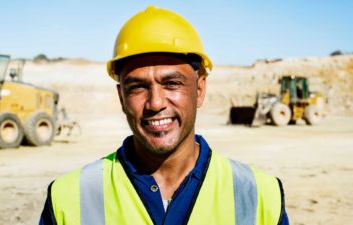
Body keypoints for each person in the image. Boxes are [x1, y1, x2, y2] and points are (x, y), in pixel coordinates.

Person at [39, 5, 289, 225]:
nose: (155, 103)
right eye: (137, 87)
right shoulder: (69, 198)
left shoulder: (259, 195)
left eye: (171, 83)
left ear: (199, 90)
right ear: (121, 98)